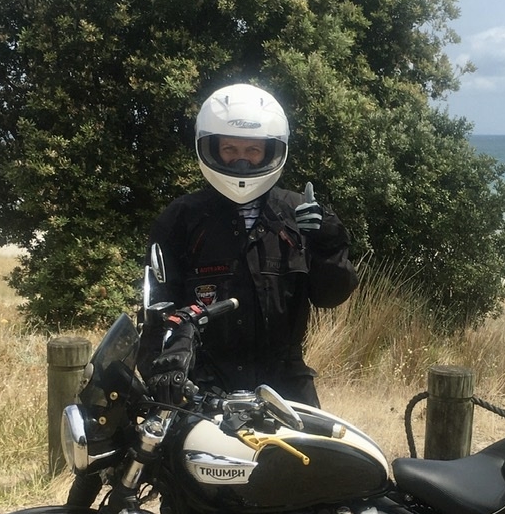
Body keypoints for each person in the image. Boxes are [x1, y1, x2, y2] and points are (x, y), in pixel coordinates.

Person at [140, 82, 358, 409]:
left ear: (270, 151)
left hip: (285, 386)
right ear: (211, 148)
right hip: (201, 385)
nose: (242, 162)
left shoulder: (299, 215)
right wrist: (164, 362)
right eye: (230, 150)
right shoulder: (181, 220)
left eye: (253, 151)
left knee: (315, 460)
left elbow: (331, 296)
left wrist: (327, 240)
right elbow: (155, 310)